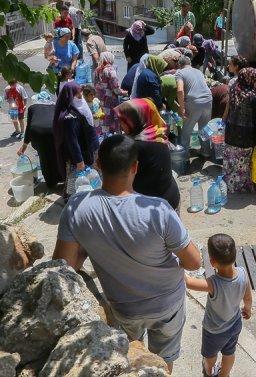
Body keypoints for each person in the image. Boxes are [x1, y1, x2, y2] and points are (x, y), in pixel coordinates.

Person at [53, 134, 202, 374]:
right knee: (163, 361)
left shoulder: (76, 208)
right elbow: (194, 262)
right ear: (135, 167)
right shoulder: (158, 210)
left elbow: (65, 267)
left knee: (131, 356)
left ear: (98, 164)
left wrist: (90, 246)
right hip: (168, 304)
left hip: (124, 308)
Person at [184, 234, 252, 377]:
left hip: (214, 331)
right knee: (229, 353)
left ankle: (209, 371)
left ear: (212, 262)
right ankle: (224, 374)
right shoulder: (243, 273)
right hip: (235, 324)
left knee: (210, 356)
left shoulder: (213, 283)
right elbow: (247, 297)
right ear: (235, 255)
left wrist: (175, 265)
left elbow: (188, 282)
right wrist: (247, 309)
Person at [114, 98, 180, 210]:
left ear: (134, 120)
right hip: (170, 197)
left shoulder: (135, 146)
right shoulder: (156, 133)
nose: (120, 125)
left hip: (153, 208)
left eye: (123, 120)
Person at [52, 82, 99, 197]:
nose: (81, 97)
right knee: (74, 180)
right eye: (78, 95)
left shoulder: (77, 109)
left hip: (85, 149)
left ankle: (81, 196)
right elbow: (72, 140)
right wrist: (79, 161)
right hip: (78, 156)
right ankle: (71, 199)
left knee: (84, 179)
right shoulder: (69, 117)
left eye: (80, 94)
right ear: (70, 96)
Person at [222, 68, 256, 195]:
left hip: (231, 132)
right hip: (246, 135)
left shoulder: (234, 90)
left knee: (231, 159)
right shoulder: (253, 96)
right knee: (243, 162)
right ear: (249, 79)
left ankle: (229, 185)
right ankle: (241, 186)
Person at [17, 101, 58, 188]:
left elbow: (28, 127)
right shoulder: (55, 106)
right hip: (54, 130)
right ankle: (60, 178)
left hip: (37, 132)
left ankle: (50, 182)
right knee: (56, 155)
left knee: (44, 157)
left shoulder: (32, 108)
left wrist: (24, 146)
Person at [175, 56, 213, 151]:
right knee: (204, 128)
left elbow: (180, 91)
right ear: (190, 63)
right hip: (208, 99)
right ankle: (206, 151)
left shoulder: (180, 73)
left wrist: (182, 108)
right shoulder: (198, 71)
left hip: (194, 101)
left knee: (187, 129)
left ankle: (184, 154)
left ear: (179, 65)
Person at [94, 52, 123, 135]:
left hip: (101, 100)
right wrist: (122, 92)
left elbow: (95, 85)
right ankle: (115, 137)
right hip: (111, 101)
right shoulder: (110, 70)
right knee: (113, 120)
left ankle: (104, 137)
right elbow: (116, 88)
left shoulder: (97, 70)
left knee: (104, 119)